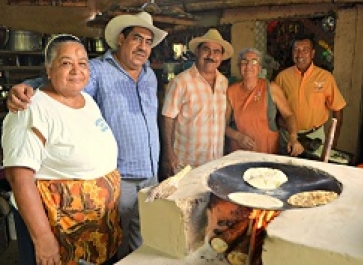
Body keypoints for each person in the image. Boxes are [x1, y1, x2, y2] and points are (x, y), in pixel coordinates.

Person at [5, 12, 167, 259]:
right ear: (121, 39)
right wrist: (23, 89)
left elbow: (72, 93)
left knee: (140, 240)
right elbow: (58, 88)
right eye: (137, 39)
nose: (142, 47)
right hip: (102, 196)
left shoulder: (147, 77)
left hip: (146, 176)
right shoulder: (99, 72)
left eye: (148, 41)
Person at [2, 34, 121, 265]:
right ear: (48, 69)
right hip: (59, 233)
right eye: (66, 63)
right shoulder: (31, 108)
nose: (76, 70)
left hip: (96, 230)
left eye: (82, 63)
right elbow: (19, 178)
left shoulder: (88, 101)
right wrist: (43, 238)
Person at [161, 29, 233, 176]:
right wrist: (168, 154)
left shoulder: (223, 83)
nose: (211, 56)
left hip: (214, 163)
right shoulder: (181, 82)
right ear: (198, 52)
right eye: (206, 50)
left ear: (222, 56)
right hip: (186, 164)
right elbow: (168, 117)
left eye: (216, 52)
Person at [275, 34, 346, 155]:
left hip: (315, 137)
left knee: (315, 171)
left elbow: (338, 110)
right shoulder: (282, 77)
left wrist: (333, 141)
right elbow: (274, 109)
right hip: (287, 136)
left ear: (312, 53)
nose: (300, 55)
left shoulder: (325, 77)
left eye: (305, 50)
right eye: (296, 50)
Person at [225, 47, 303, 156]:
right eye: (244, 62)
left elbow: (289, 115)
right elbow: (223, 125)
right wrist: (237, 136)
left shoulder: (271, 88)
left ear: (259, 68)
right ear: (239, 67)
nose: (248, 66)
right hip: (239, 154)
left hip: (267, 152)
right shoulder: (231, 91)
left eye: (254, 62)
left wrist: (293, 138)